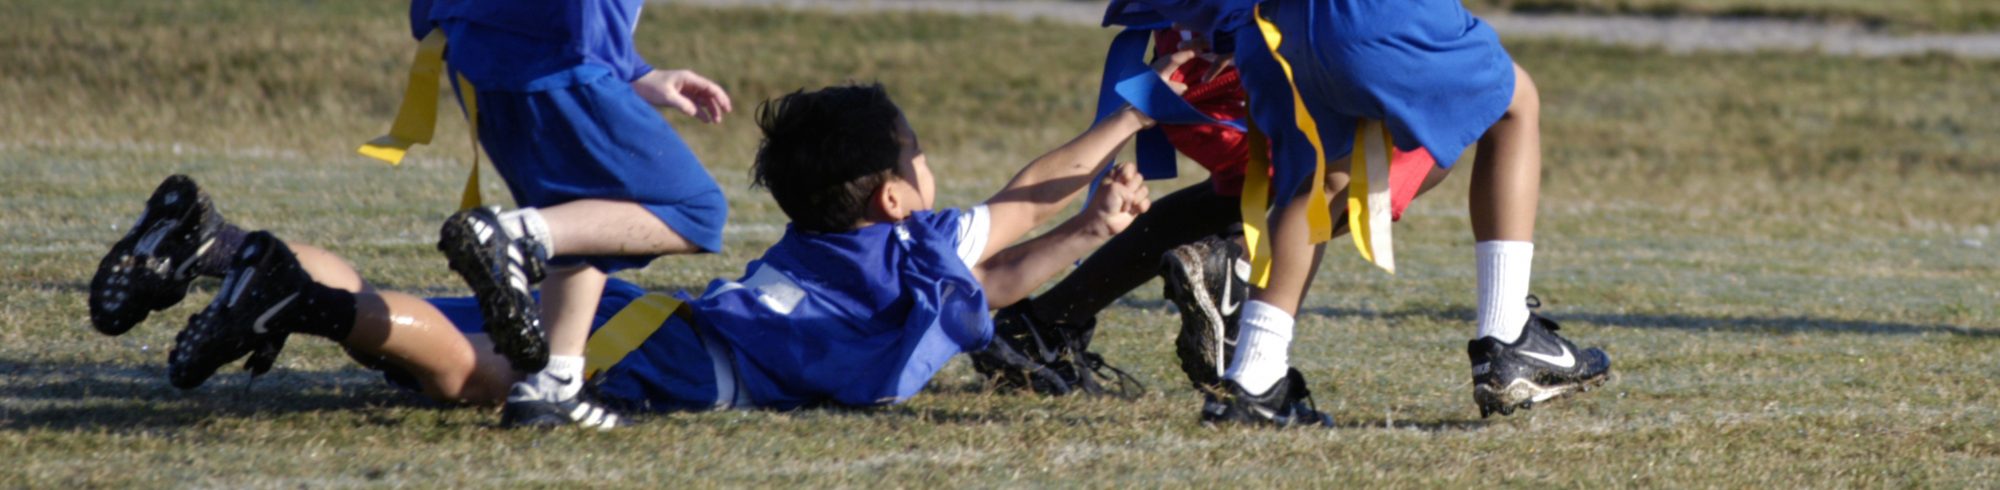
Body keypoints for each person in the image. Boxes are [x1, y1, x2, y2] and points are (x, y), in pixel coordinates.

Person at [132, 82, 1160, 428]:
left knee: (449, 320)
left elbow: (1001, 268)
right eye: (921, 159)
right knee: (479, 376)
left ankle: (220, 245)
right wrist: (1129, 114)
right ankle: (300, 302)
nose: (935, 175)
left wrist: (1092, 230)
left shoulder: (867, 247)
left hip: (648, 317)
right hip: (676, 360)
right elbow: (1030, 195)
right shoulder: (914, 249)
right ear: (894, 197)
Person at [1085, 0, 1612, 427]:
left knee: (1315, 183)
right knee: (1514, 101)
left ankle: (1255, 384)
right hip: (1369, 14)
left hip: (1274, 27)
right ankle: (1510, 338)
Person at [969, 27, 1447, 396]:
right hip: (1239, 72)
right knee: (1430, 136)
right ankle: (1235, 262)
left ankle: (1045, 323)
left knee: (1240, 193)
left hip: (1186, 74)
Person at [393, 0, 737, 425]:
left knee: (582, 216)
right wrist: (612, 61)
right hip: (558, 55)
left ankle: (553, 386)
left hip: (475, 48)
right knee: (695, 209)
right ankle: (510, 235)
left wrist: (634, 70)